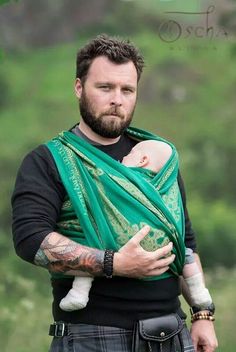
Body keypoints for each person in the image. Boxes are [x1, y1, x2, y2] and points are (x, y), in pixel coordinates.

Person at [11, 34, 218, 352]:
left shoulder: (158, 158)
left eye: (127, 90)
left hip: (171, 332)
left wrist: (202, 314)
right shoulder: (49, 160)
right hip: (91, 336)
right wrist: (114, 263)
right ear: (79, 88)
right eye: (105, 87)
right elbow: (30, 240)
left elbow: (183, 241)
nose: (117, 99)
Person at [60, 140, 212, 314]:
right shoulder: (164, 187)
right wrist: (203, 310)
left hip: (114, 244)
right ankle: (200, 293)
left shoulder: (120, 177)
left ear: (142, 161)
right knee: (186, 255)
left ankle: (79, 293)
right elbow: (184, 239)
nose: (122, 158)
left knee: (90, 250)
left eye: (129, 155)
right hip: (164, 247)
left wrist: (203, 318)